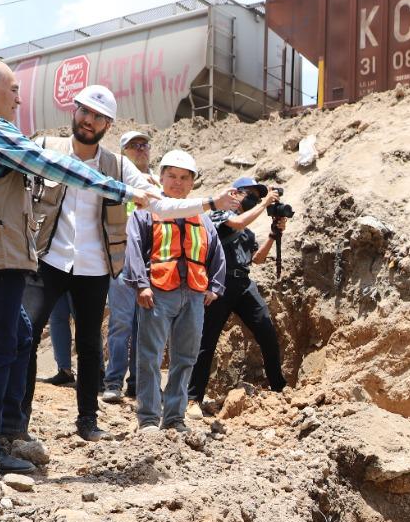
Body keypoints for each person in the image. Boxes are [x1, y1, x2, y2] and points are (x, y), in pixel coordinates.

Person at [0, 56, 152, 472]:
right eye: (14, 92)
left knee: (20, 336)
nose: (18, 101)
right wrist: (122, 189)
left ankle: (10, 427)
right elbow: (49, 166)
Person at [21, 85, 237, 441]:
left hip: (93, 267)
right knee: (26, 338)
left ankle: (88, 422)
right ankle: (17, 421)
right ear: (74, 111)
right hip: (48, 259)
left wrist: (211, 203)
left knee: (91, 345)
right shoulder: (46, 147)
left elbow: (162, 206)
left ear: (108, 125)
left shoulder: (118, 166)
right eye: (85, 112)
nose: (89, 121)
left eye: (98, 117)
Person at [122, 150, 226, 433]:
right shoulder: (146, 211)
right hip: (157, 292)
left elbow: (216, 252)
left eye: (183, 178)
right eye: (171, 177)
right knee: (150, 356)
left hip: (193, 293)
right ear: (161, 178)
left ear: (192, 183)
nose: (177, 183)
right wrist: (141, 284)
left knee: (185, 357)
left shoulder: (202, 218)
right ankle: (148, 419)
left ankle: (175, 418)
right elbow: (133, 247)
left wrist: (215, 287)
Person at [189, 176, 288, 416]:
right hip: (218, 283)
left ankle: (279, 387)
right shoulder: (221, 215)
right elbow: (236, 224)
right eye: (250, 194)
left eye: (258, 195)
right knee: (206, 341)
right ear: (234, 193)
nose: (254, 199)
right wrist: (265, 204)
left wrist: (274, 234)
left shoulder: (248, 234)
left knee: (266, 331)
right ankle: (193, 398)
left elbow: (258, 259)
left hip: (243, 284)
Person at [102, 130, 155, 403]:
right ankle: (113, 382)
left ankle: (138, 383)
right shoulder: (116, 184)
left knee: (145, 326)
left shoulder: (160, 184)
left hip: (151, 264)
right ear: (123, 153)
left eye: (144, 144)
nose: (140, 149)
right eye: (133, 145)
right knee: (122, 323)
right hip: (122, 261)